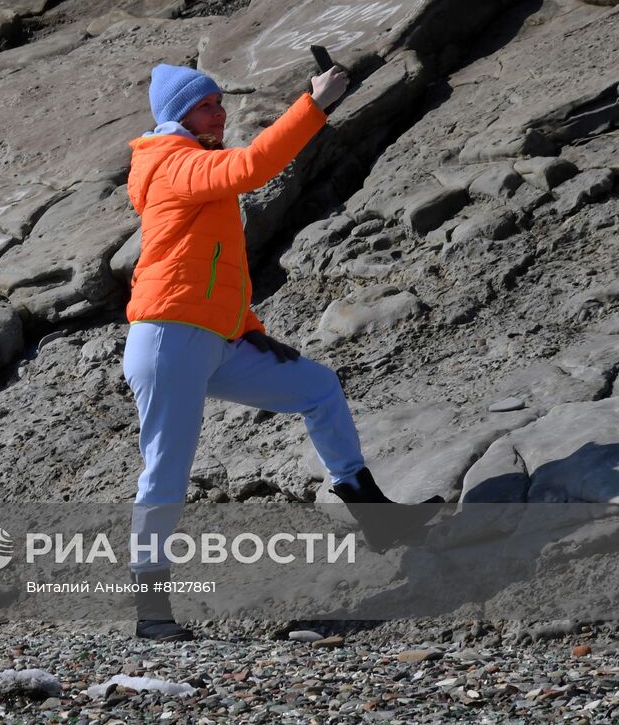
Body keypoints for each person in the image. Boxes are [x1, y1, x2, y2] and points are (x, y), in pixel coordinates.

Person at [121, 62, 441, 641]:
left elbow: (213, 266)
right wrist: (314, 105)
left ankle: (372, 510)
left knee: (317, 387)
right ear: (177, 116)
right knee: (165, 474)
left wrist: (247, 326)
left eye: (219, 102)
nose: (218, 112)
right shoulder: (172, 162)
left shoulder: (192, 163)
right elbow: (254, 167)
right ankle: (151, 614)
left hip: (215, 341)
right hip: (168, 338)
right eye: (205, 105)